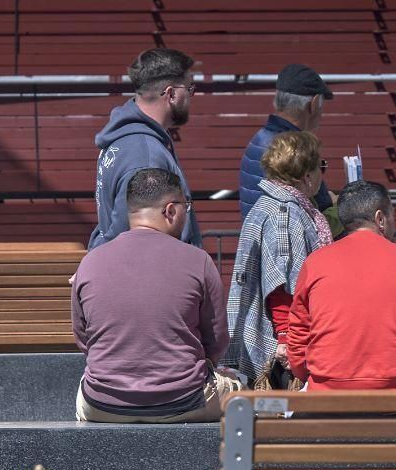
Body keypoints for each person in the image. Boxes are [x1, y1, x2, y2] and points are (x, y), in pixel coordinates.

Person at [72, 168, 238, 423]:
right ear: (171, 210)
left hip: (103, 403)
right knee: (240, 391)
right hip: (186, 399)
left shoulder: (90, 262)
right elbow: (216, 340)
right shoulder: (198, 261)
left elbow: (84, 339)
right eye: (187, 206)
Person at [285, 181, 396, 391]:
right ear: (380, 219)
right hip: (395, 394)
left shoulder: (315, 263)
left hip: (327, 393)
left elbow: (299, 333)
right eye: (392, 215)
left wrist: (305, 373)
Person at [223, 131, 333, 389]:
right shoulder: (285, 214)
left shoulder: (268, 205)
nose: (323, 173)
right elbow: (281, 283)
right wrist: (286, 340)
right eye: (322, 166)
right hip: (280, 349)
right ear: (307, 175)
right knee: (285, 422)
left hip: (278, 341)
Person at [89, 49, 202, 249]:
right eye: (189, 88)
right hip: (150, 275)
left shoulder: (123, 140)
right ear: (172, 93)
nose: (191, 96)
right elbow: (124, 235)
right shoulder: (145, 155)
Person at [238, 63, 338, 233]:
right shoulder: (294, 149)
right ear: (313, 104)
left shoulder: (258, 138)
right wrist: (339, 206)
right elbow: (317, 210)